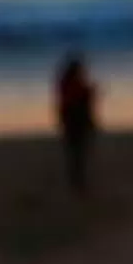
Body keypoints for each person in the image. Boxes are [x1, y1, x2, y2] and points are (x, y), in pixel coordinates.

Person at [53, 52, 99, 195]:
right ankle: (78, 182)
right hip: (76, 123)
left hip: (72, 123)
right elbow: (82, 104)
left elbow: (64, 107)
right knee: (77, 154)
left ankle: (77, 181)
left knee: (75, 154)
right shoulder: (74, 87)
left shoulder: (67, 85)